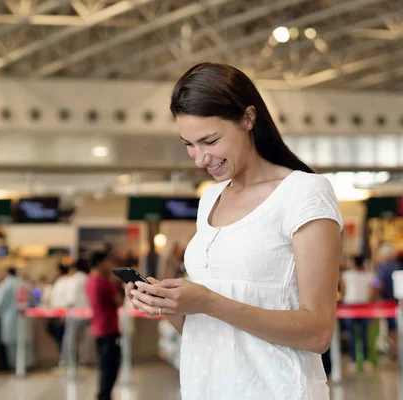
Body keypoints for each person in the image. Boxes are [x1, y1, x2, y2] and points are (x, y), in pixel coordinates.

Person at [126, 63, 343, 399]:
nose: (200, 159)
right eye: (189, 144)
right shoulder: (210, 199)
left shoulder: (304, 193)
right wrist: (168, 304)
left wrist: (209, 301)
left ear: (248, 119)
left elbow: (317, 333)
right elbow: (204, 331)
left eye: (209, 140)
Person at [85, 251, 123, 400]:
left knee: (104, 367)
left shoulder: (89, 280)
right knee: (109, 368)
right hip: (108, 328)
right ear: (101, 263)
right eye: (107, 261)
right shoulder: (103, 282)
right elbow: (118, 301)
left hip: (98, 328)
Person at [0, 267, 33, 369]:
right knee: (24, 344)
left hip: (9, 318)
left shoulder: (4, 286)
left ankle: (14, 366)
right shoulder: (24, 284)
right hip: (24, 317)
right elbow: (32, 301)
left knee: (11, 345)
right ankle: (26, 365)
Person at [342, 255, 373, 371]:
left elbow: (343, 290)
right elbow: (374, 287)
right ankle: (359, 360)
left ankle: (358, 360)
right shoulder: (365, 275)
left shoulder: (348, 275)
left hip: (359, 306)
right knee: (355, 334)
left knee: (360, 334)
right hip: (353, 306)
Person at [372, 243, 402, 358]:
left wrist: (372, 291)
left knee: (392, 328)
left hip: (389, 302)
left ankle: (395, 351)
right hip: (399, 300)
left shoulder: (383, 267)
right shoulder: (398, 265)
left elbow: (378, 284)